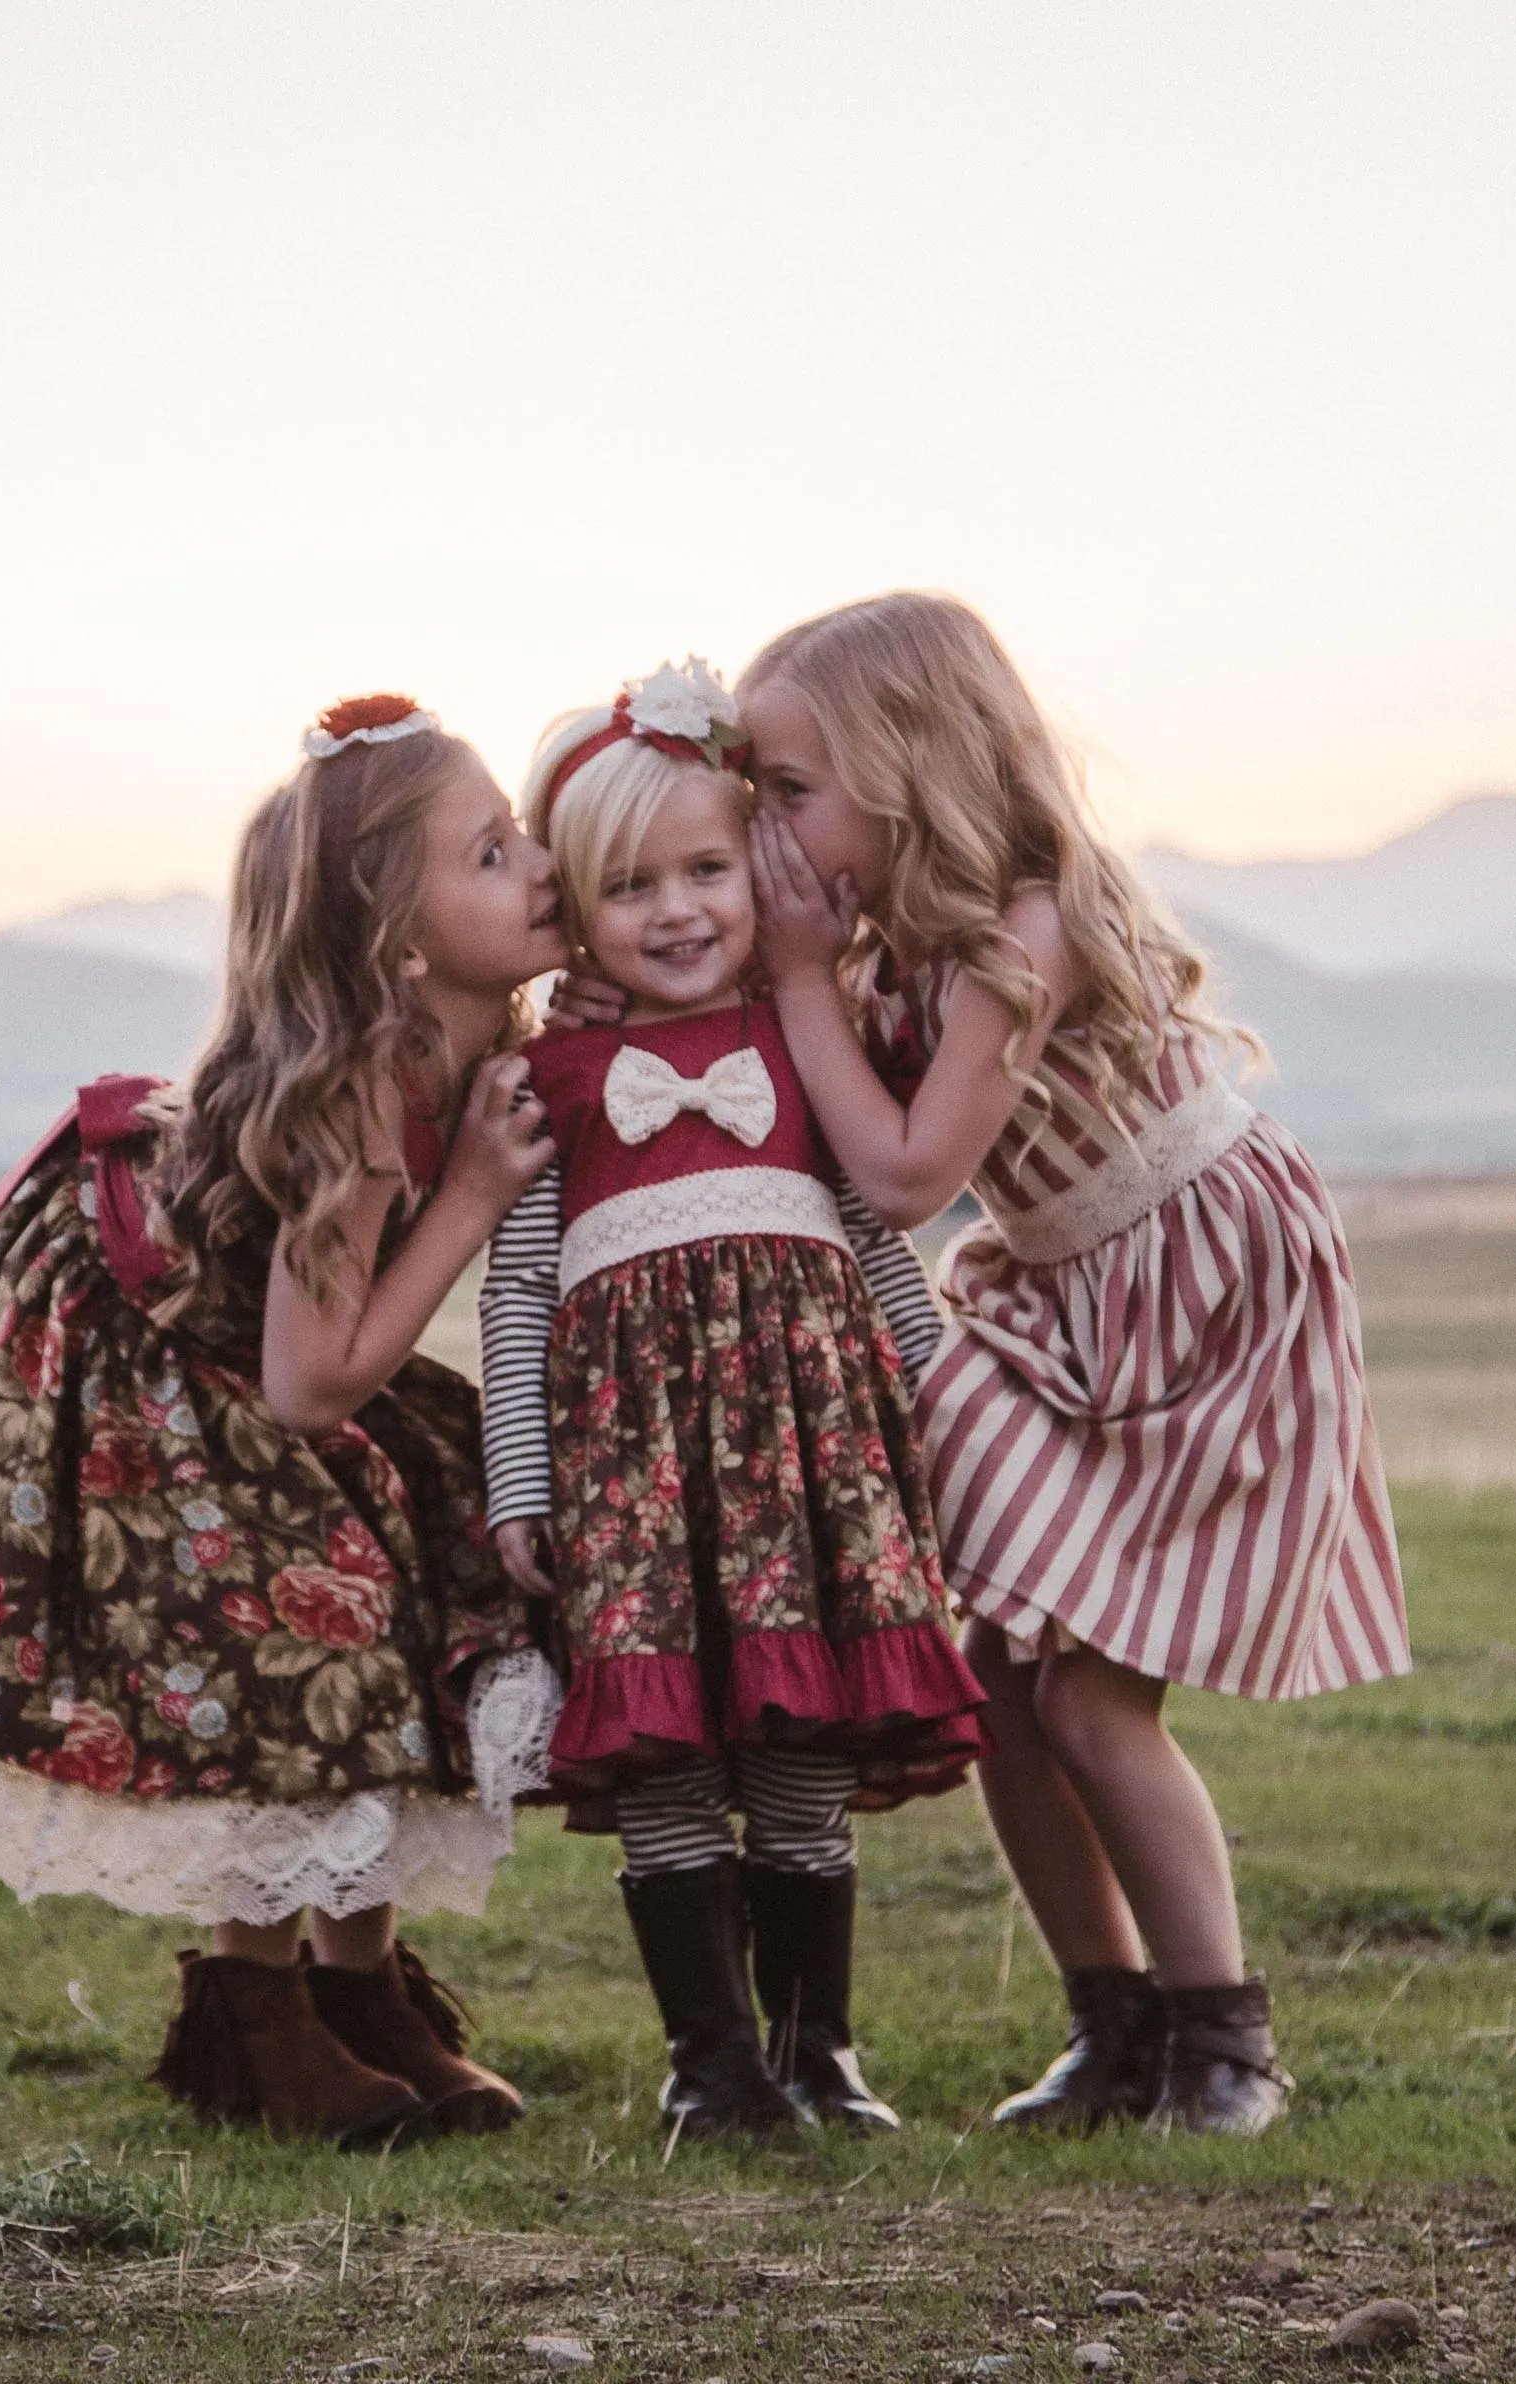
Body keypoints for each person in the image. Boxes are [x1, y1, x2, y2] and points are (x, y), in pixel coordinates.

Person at [0, 693, 570, 2145]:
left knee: (413, 1599)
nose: (540, 867)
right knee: (300, 1632)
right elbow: (310, 1382)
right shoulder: (360, 1090)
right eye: (491, 854)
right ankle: (254, 2015)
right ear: (397, 939)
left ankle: (363, 1993)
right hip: (152, 1365)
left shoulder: (464, 1049)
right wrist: (471, 1197)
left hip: (261, 1352)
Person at [738, 594, 1410, 2136]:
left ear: (908, 767)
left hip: (1198, 1285)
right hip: (1070, 1286)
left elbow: (906, 1173)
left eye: (790, 793)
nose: (771, 836)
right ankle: (1111, 2027)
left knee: (1096, 1700)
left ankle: (1223, 2042)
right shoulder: (890, 947)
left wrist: (790, 980)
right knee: (996, 1677)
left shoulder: (1020, 924)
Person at [476, 660, 982, 2139]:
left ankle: (817, 2052)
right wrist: (522, 1479)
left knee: (798, 1750)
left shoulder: (800, 1042)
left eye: (708, 869)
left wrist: (947, 1404)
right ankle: (713, 2070)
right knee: (669, 1757)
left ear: (759, 874)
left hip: (813, 1468)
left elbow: (883, 1244)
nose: (678, 909)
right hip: (630, 1480)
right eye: (631, 886)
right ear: (578, 907)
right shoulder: (553, 1075)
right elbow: (514, 1291)